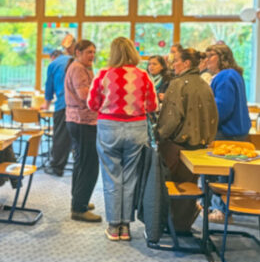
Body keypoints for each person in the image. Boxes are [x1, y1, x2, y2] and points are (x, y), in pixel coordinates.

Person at [88, 37, 157, 241]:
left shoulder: (103, 74)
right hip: (136, 128)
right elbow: (152, 106)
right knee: (130, 177)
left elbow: (91, 103)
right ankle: (125, 226)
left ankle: (113, 226)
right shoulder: (143, 75)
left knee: (111, 176)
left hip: (109, 127)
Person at [156, 47, 218, 232]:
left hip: (176, 147)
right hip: (199, 148)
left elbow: (171, 119)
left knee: (171, 187)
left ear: (186, 63)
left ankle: (168, 226)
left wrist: (159, 135)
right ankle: (182, 226)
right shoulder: (205, 85)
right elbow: (214, 117)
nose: (173, 64)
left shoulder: (177, 84)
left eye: (176, 61)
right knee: (189, 186)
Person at [205, 43, 251, 223]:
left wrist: (206, 124)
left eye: (211, 55)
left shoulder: (225, 76)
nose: (207, 60)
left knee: (222, 173)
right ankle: (221, 209)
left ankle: (221, 211)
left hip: (227, 133)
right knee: (227, 173)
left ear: (222, 57)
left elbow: (222, 108)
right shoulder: (233, 75)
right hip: (236, 132)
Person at [64, 40, 101, 223]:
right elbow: (86, 96)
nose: (92, 55)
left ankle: (78, 199)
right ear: (78, 52)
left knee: (81, 163)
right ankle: (79, 207)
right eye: (88, 52)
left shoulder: (81, 67)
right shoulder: (78, 68)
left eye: (93, 52)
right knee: (89, 165)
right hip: (83, 121)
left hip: (78, 120)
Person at [42, 42, 75, 177]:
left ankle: (57, 167)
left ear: (52, 57)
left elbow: (49, 88)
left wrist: (46, 104)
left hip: (63, 103)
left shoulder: (53, 64)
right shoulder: (75, 61)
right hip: (79, 106)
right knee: (73, 135)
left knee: (60, 136)